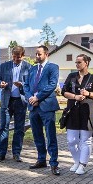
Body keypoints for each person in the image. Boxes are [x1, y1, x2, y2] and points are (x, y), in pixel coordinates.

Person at [61, 54, 93, 175]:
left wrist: (88, 94)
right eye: (76, 62)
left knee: (85, 140)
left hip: (88, 111)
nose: (77, 64)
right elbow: (64, 92)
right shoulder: (71, 76)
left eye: (79, 62)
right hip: (72, 110)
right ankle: (76, 161)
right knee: (71, 140)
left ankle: (82, 164)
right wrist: (75, 96)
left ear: (86, 63)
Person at [23, 45, 61, 175]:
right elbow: (26, 85)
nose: (37, 56)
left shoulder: (53, 67)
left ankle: (54, 164)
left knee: (50, 135)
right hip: (33, 107)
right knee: (37, 134)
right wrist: (30, 98)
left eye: (39, 54)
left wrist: (38, 97)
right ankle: (41, 159)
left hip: (47, 106)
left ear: (46, 54)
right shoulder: (32, 69)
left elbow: (52, 85)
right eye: (36, 54)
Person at [0, 45, 30, 162]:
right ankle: (1, 153)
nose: (15, 60)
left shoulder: (29, 67)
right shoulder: (4, 66)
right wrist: (1, 84)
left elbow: (30, 84)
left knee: (19, 129)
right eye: (14, 57)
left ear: (23, 56)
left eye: (18, 57)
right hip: (6, 101)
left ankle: (16, 153)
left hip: (20, 101)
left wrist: (22, 85)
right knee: (3, 127)